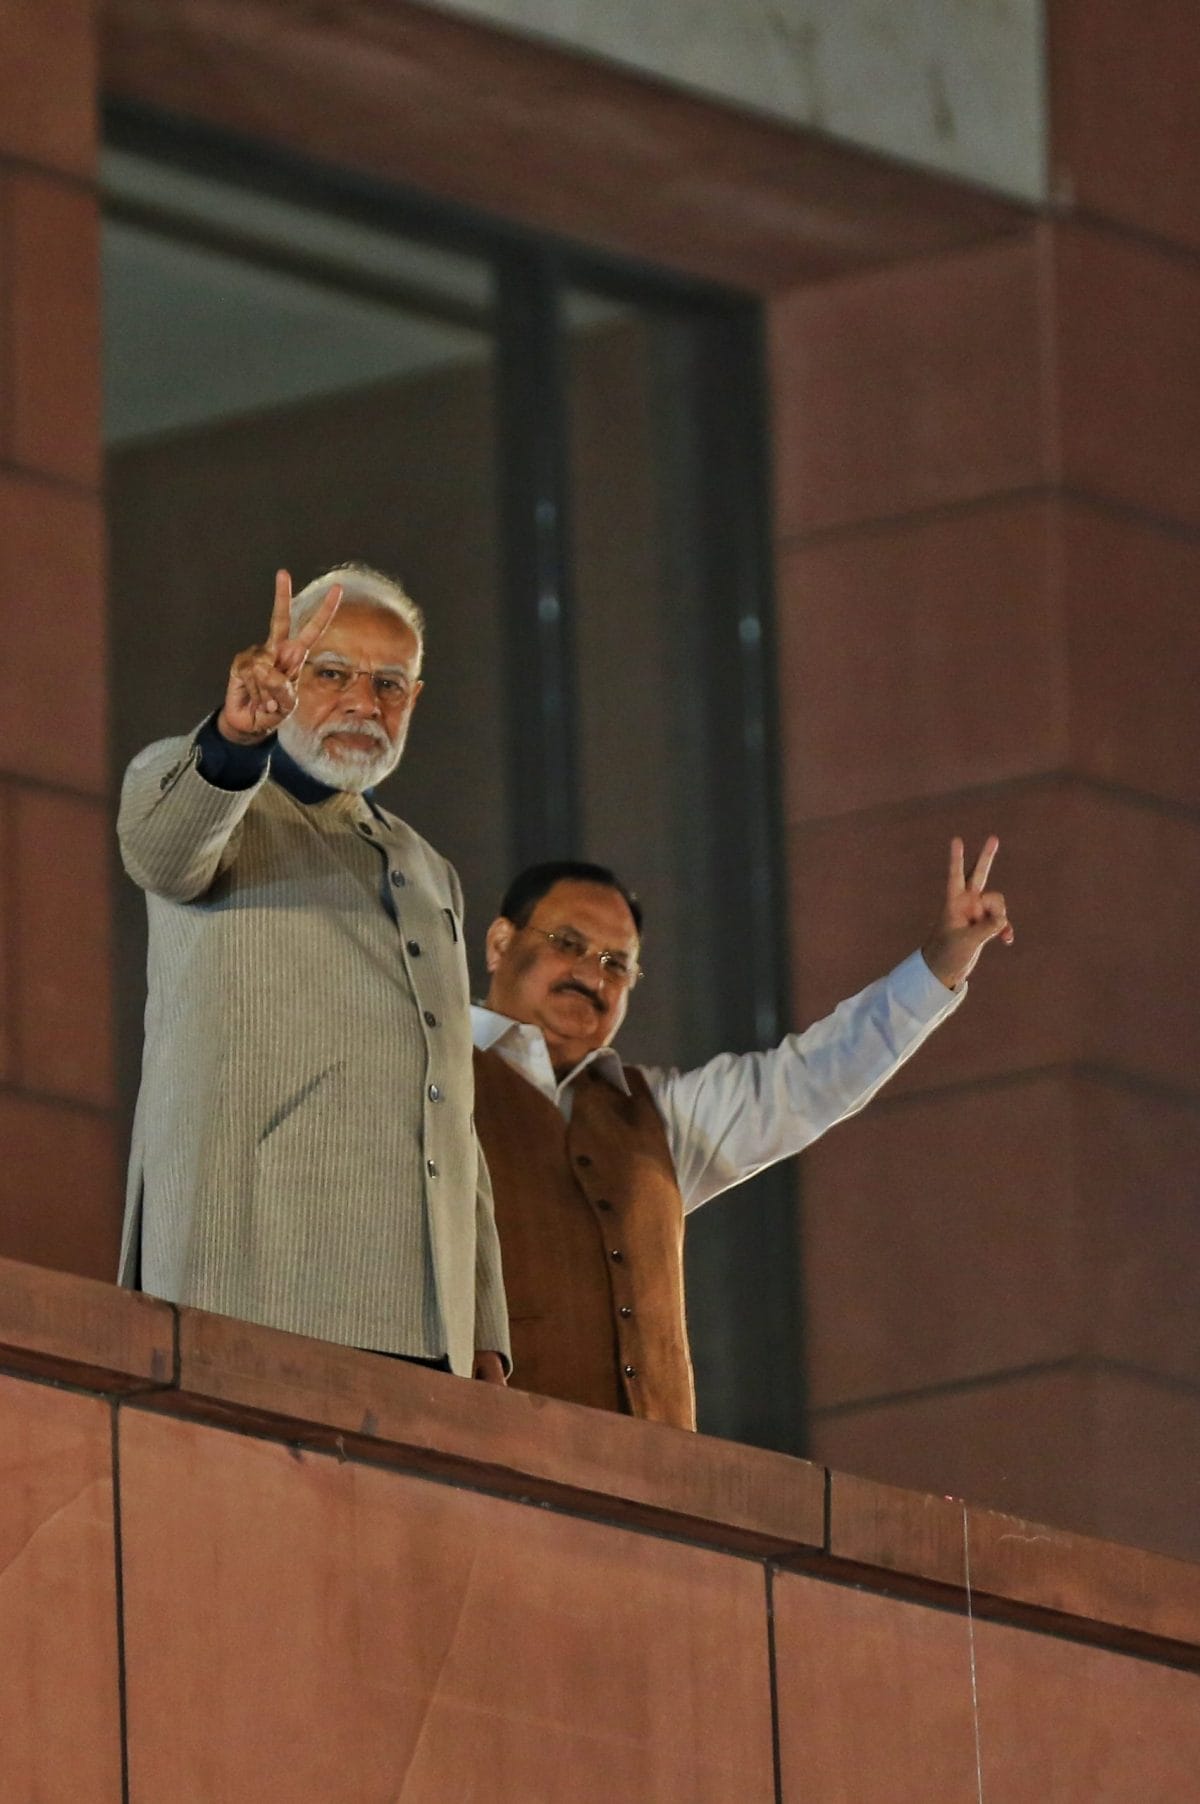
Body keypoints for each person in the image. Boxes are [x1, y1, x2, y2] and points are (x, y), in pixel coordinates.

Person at [117, 564, 509, 1383]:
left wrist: (485, 1331)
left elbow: (451, 1105)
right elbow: (160, 853)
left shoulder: (430, 869)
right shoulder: (208, 785)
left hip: (423, 1313)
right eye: (331, 674)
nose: (364, 704)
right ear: (286, 671)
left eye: (390, 685)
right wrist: (236, 737)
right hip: (249, 1281)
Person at [472, 844, 1013, 1426]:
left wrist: (940, 963)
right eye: (568, 944)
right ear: (501, 943)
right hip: (474, 1460)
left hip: (648, 1488)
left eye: (616, 964)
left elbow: (808, 1082)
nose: (590, 975)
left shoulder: (657, 1115)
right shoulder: (427, 1077)